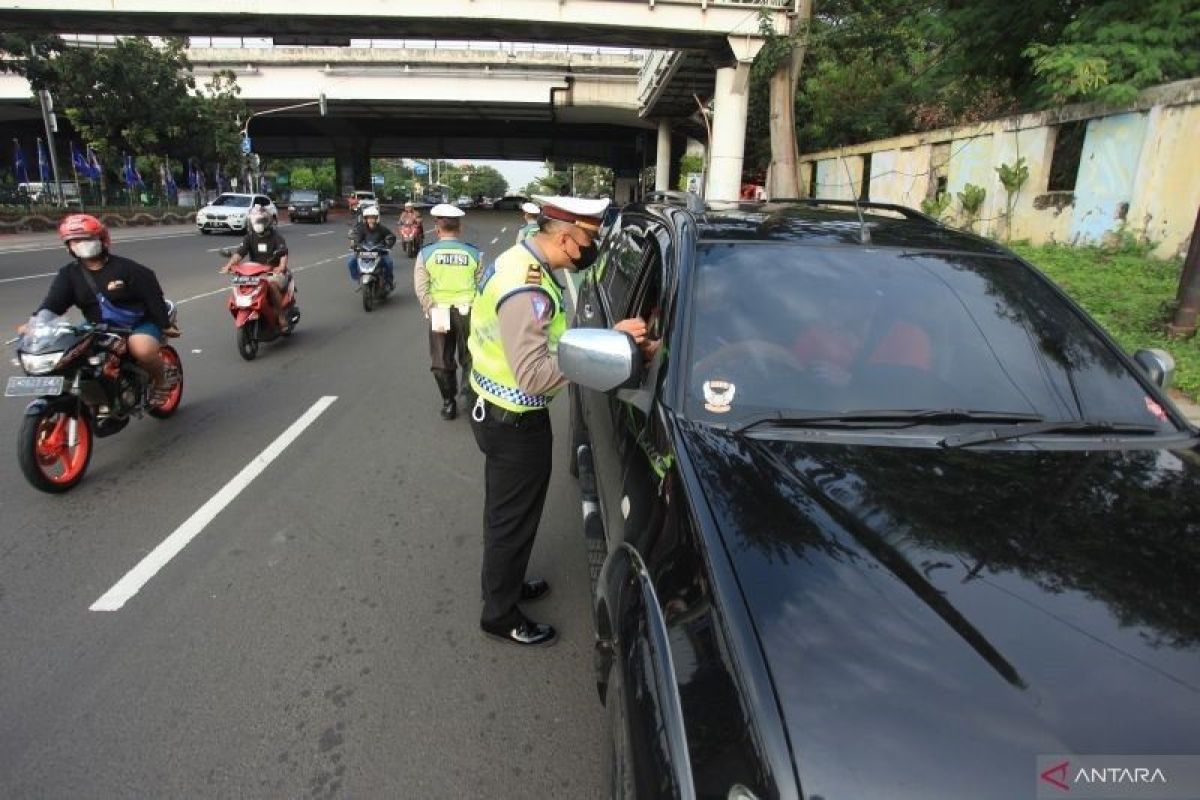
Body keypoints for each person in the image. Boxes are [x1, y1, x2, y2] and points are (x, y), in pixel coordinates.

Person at [468, 195, 646, 647]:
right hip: (514, 420)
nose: (593, 247)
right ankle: (500, 613)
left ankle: (502, 585)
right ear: (566, 237)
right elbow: (532, 376)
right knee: (513, 520)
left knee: (505, 514)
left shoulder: (519, 259)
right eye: (589, 238)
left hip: (493, 407)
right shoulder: (528, 289)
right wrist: (606, 345)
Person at [25, 214, 180, 403]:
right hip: (97, 327)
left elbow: (152, 295)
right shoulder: (69, 274)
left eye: (87, 239)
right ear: (68, 246)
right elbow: (53, 304)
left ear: (102, 239)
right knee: (68, 353)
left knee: (142, 349)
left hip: (138, 324)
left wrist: (163, 323)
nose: (81, 244)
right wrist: (37, 323)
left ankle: (161, 381)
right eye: (74, 241)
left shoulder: (127, 268)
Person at [413, 203, 483, 420]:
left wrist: (430, 308)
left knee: (441, 360)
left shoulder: (426, 254)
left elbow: (421, 287)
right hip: (467, 312)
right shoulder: (473, 253)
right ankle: (469, 398)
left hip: (440, 312)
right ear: (459, 228)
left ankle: (448, 402)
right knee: (470, 357)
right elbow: (481, 286)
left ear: (437, 228)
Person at [221, 206, 292, 329]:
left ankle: (281, 316)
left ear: (267, 222)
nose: (258, 224)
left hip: (273, 271)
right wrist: (229, 265)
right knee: (240, 285)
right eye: (255, 221)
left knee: (272, 286)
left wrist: (281, 266)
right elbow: (239, 253)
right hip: (255, 272)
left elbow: (283, 253)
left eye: (260, 221)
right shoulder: (250, 237)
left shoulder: (276, 237)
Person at [347, 205, 396, 290]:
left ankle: (389, 281)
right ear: (365, 219)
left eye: (373, 218)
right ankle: (358, 278)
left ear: (376, 218)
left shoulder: (382, 229)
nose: (371, 220)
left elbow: (391, 236)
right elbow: (357, 238)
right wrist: (354, 244)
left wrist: (388, 244)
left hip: (379, 253)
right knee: (351, 262)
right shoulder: (361, 229)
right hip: (364, 252)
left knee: (389, 263)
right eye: (369, 218)